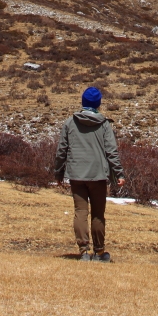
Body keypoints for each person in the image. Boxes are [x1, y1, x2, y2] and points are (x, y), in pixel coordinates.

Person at [53, 86, 125, 262]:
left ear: (83, 102)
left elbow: (61, 150)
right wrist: (119, 173)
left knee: (80, 211)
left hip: (76, 174)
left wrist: (58, 172)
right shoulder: (104, 124)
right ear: (98, 104)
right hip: (98, 175)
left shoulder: (71, 122)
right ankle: (99, 252)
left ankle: (84, 250)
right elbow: (111, 152)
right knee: (98, 214)